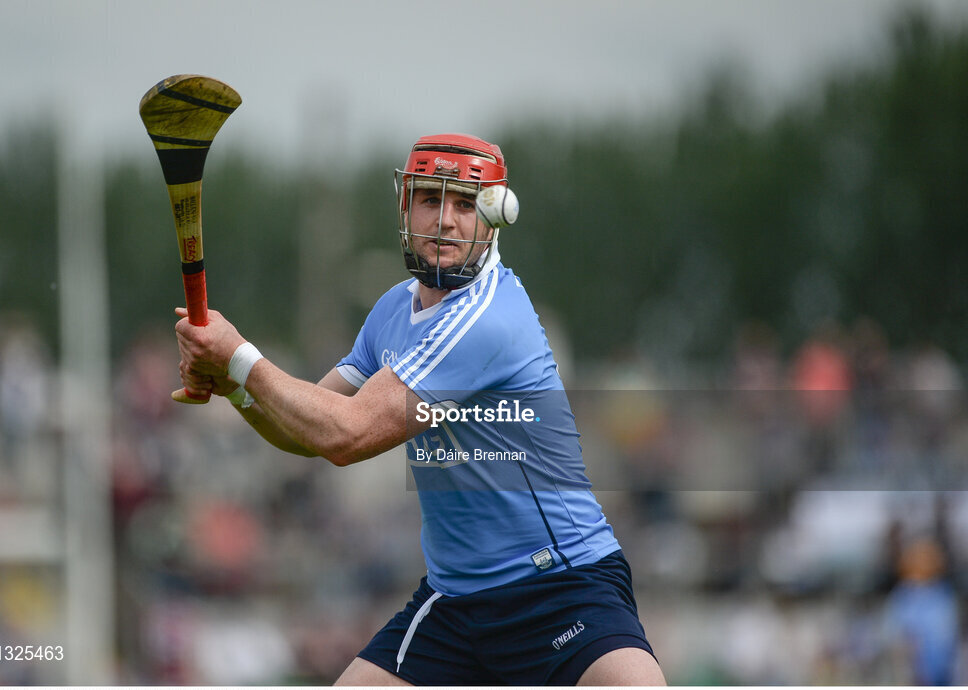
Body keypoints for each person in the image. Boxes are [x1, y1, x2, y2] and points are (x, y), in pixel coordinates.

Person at [174, 133, 665, 685]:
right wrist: (236, 386)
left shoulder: (488, 318)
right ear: (406, 207)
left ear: (494, 217)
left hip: (561, 588)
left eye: (464, 204)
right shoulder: (390, 312)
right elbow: (305, 431)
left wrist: (238, 357)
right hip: (455, 604)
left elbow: (346, 436)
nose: (445, 221)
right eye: (431, 200)